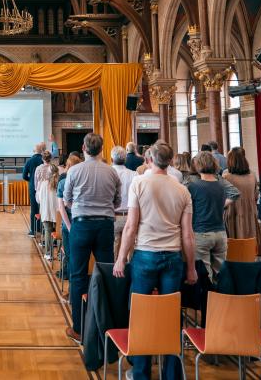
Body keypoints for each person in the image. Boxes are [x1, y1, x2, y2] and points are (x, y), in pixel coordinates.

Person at [114, 142, 197, 380]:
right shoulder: (182, 190)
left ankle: (141, 372)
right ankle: (171, 374)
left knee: (140, 314)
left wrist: (121, 258)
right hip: (173, 257)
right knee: (171, 316)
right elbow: (187, 234)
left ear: (149, 159)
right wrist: (191, 267)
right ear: (170, 161)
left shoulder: (140, 183)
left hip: (145, 255)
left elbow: (130, 227)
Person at [62, 133, 120, 342]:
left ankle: (79, 328)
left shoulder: (75, 171)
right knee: (105, 273)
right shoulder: (111, 172)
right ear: (101, 149)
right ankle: (106, 325)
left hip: (82, 224)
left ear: (84, 148)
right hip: (105, 225)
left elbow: (67, 200)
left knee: (77, 276)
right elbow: (117, 200)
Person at [187, 152, 239, 280]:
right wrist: (223, 205)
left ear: (198, 165)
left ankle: (207, 298)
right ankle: (220, 297)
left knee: (204, 275)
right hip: (220, 233)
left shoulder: (193, 186)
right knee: (220, 274)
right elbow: (235, 193)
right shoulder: (221, 184)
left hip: (201, 232)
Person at [222, 148, 260, 240]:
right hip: (249, 213)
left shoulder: (226, 176)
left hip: (233, 213)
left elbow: (222, 198)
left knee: (233, 247)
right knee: (249, 245)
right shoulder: (252, 175)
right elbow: (256, 195)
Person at [57, 154, 83, 282]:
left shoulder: (62, 182)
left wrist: (68, 227)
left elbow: (61, 208)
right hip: (82, 222)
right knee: (80, 256)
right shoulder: (83, 182)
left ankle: (73, 286)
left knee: (69, 254)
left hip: (68, 224)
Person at [111, 146, 137, 253]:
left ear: (112, 160)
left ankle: (112, 269)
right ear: (125, 159)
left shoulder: (108, 173)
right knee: (130, 248)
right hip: (129, 215)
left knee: (114, 250)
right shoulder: (134, 174)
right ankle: (129, 270)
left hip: (114, 216)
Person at [22, 142, 45, 237]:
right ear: (42, 151)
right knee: (43, 208)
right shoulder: (44, 160)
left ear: (34, 151)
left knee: (34, 208)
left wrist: (31, 181)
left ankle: (33, 230)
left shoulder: (29, 161)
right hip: (44, 187)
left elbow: (24, 176)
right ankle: (43, 228)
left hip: (33, 187)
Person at [39, 163, 60, 260]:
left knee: (48, 231)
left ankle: (48, 253)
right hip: (58, 213)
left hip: (46, 211)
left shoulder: (43, 184)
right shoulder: (60, 183)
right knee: (59, 232)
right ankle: (60, 254)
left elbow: (38, 199)